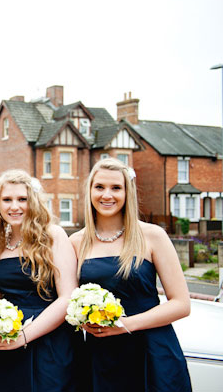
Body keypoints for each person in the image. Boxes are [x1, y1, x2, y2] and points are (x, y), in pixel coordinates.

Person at [69, 157, 192, 391]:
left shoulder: (152, 236)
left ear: (128, 192)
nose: (107, 195)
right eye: (100, 187)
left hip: (151, 351)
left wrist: (125, 324)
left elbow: (181, 304)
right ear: (90, 191)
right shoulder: (76, 242)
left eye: (116, 188)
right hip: (100, 356)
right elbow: (67, 301)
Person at [0, 169, 78, 391]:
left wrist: (24, 336)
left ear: (32, 201)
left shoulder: (53, 236)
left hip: (51, 342)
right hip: (7, 342)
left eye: (22, 199)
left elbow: (67, 297)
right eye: (7, 200)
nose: (14, 206)